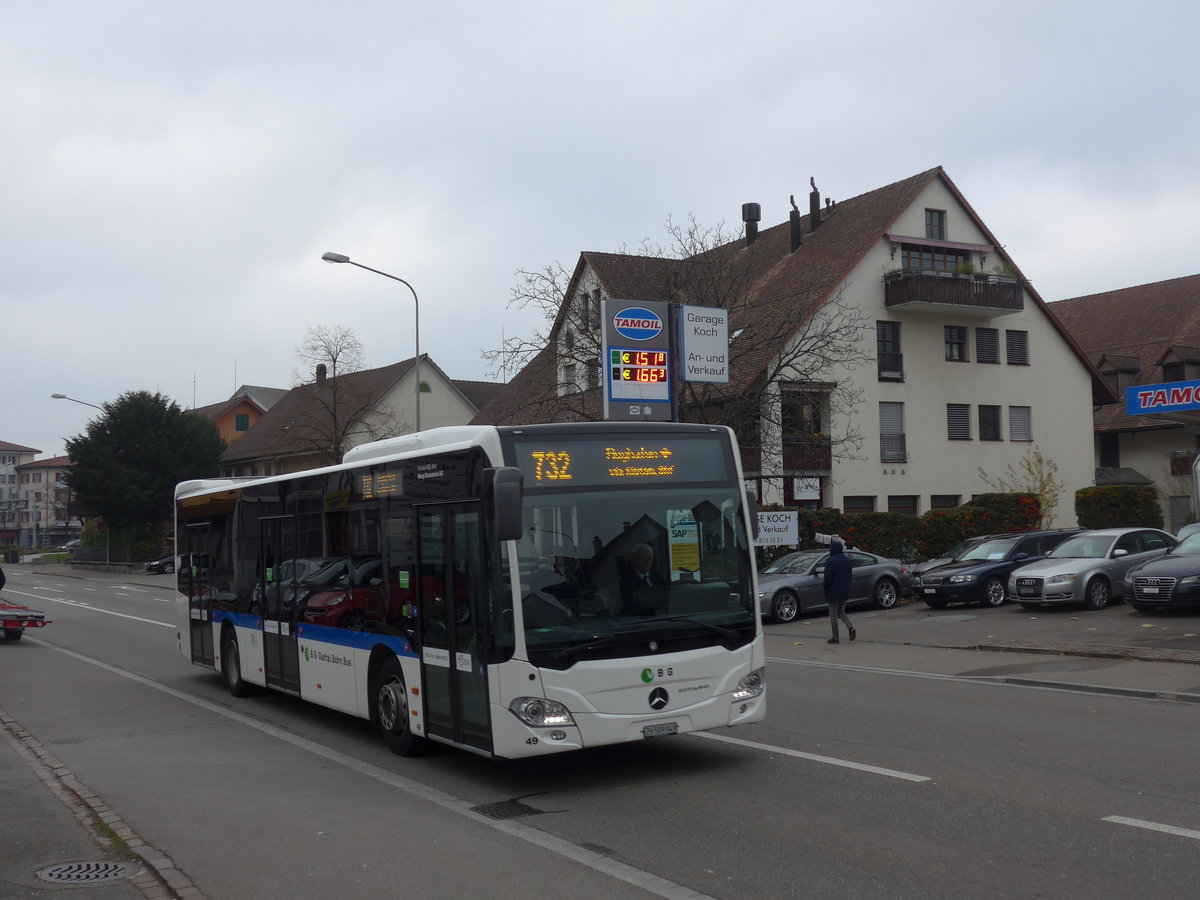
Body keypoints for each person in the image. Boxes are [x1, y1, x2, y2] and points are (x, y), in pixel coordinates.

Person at [822, 540, 855, 644]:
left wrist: (825, 586)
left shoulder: (830, 560)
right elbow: (850, 575)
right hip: (844, 589)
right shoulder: (846, 560)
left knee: (833, 615)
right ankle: (850, 627)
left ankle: (835, 637)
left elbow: (828, 576)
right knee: (841, 613)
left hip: (833, 591)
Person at [619, 543, 664, 614]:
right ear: (634, 559)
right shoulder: (627, 581)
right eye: (642, 558)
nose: (646, 562)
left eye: (649, 558)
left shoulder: (658, 576)